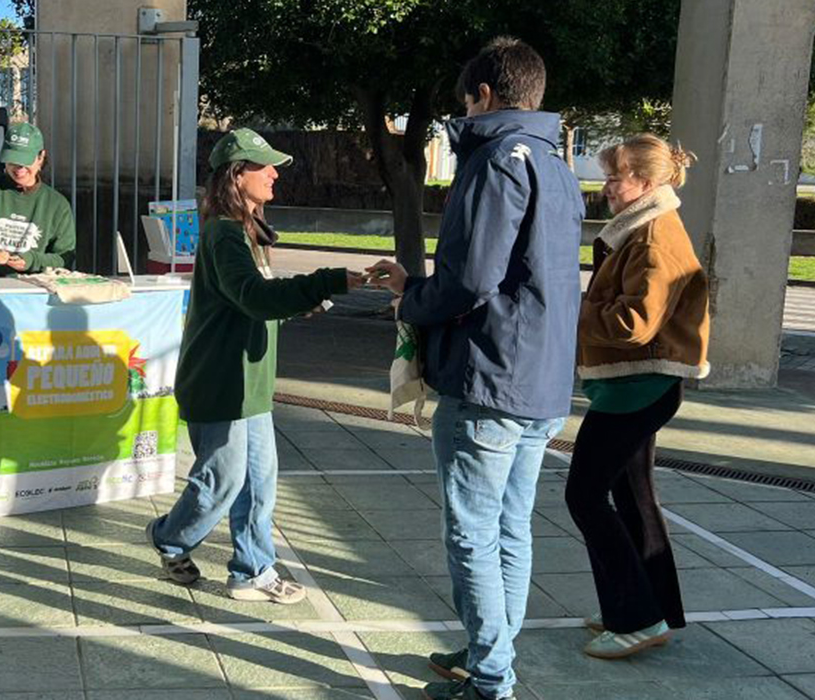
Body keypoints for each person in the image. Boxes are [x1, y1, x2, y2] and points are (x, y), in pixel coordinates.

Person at [367, 37, 583, 700]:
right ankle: (491, 652)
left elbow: (473, 281)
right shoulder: (553, 161)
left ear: (484, 96)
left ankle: (492, 678)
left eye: (464, 102)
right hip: (539, 381)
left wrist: (412, 296)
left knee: (473, 532)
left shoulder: (495, 160)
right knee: (509, 527)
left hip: (489, 377)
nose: (462, 112)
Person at [146, 128, 365, 604]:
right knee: (221, 483)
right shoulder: (225, 234)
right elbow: (252, 297)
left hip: (251, 385)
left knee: (259, 484)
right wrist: (326, 280)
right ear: (235, 174)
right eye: (262, 166)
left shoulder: (248, 233)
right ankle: (169, 537)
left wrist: (303, 301)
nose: (274, 174)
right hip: (221, 382)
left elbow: (256, 303)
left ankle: (252, 571)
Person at [565, 134, 709, 659]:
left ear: (646, 184)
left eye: (614, 177)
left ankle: (637, 617)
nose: (605, 187)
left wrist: (572, 311)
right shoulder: (642, 228)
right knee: (633, 498)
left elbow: (634, 322)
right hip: (640, 384)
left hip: (636, 386)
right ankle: (650, 610)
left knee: (583, 496)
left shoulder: (652, 237)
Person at [0, 122, 75, 275]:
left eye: (25, 161)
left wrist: (32, 261)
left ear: (41, 157)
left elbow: (64, 258)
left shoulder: (57, 205)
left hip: (36, 288)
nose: (19, 168)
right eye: (13, 160)